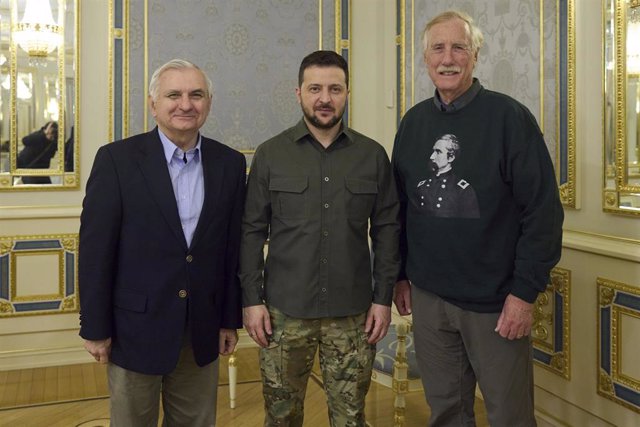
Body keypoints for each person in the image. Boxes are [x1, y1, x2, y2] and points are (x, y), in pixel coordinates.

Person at [392, 10, 564, 427]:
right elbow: (398, 209)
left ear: (475, 55)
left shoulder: (510, 118)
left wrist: (524, 295)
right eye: (438, 48)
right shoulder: (413, 123)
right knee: (446, 412)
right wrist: (398, 274)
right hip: (430, 300)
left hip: (496, 303)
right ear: (425, 58)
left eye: (459, 47)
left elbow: (543, 213)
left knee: (510, 416)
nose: (447, 57)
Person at [78, 59, 246, 426]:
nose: (186, 104)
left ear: (209, 104)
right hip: (134, 329)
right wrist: (95, 327)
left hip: (201, 329)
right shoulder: (116, 160)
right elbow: (95, 252)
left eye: (196, 95)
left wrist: (228, 320)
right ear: (153, 105)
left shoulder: (230, 164)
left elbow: (232, 251)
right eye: (174, 95)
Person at [240, 50, 400, 426]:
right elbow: (250, 232)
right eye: (315, 88)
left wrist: (383, 299)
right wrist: (251, 300)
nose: (324, 98)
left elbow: (388, 230)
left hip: (353, 314)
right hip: (283, 314)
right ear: (299, 93)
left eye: (334, 89)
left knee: (350, 418)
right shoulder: (271, 154)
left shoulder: (372, 156)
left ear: (347, 93)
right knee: (281, 417)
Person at [416, 133, 479, 218]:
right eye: (433, 151)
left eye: (438, 152)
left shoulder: (463, 191)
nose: (432, 157)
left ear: (451, 157)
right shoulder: (422, 186)